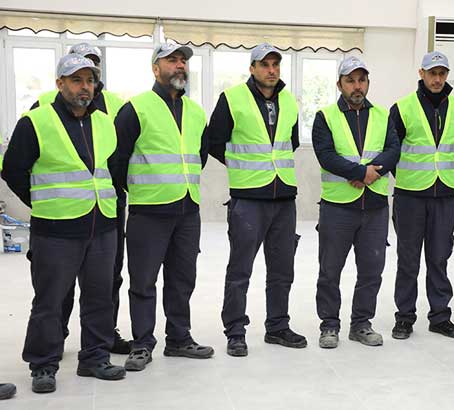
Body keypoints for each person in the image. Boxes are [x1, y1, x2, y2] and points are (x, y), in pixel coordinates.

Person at [2, 54, 126, 393]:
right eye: (76, 80)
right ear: (60, 84)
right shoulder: (36, 121)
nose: (84, 87)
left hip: (102, 224)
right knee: (51, 300)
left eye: (90, 81)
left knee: (100, 296)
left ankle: (95, 357)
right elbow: (13, 170)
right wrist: (43, 201)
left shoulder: (104, 122)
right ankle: (43, 364)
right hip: (56, 228)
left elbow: (113, 168)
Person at [114, 43, 214, 372]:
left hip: (188, 209)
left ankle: (179, 338)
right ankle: (142, 344)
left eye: (183, 60)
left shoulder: (196, 112)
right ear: (155, 68)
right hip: (149, 210)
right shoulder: (136, 108)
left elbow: (200, 155)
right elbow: (117, 159)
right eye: (172, 60)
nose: (180, 65)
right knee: (143, 281)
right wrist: (144, 188)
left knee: (182, 279)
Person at [208, 43, 307, 356]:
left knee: (282, 270)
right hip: (248, 199)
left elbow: (290, 142)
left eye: (275, 65)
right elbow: (214, 141)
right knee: (240, 271)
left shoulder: (289, 100)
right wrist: (242, 167)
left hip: (284, 197)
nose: (271, 70)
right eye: (265, 65)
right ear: (252, 68)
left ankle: (277, 326)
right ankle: (235, 331)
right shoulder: (232, 98)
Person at [312, 56, 400, 348]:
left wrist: (372, 173)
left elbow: (393, 149)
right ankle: (329, 325)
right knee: (330, 270)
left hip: (374, 207)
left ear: (368, 83)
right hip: (338, 207)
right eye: (350, 81)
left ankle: (361, 324)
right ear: (339, 85)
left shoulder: (383, 115)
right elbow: (326, 155)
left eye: (361, 80)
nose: (357, 86)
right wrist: (361, 172)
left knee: (371, 270)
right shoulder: (325, 117)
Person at [389, 51, 454, 340]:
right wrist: (411, 177)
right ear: (421, 74)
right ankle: (404, 318)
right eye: (432, 73)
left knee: (439, 258)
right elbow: (391, 151)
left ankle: (440, 316)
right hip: (410, 196)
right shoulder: (403, 108)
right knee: (408, 260)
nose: (437, 79)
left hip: (444, 194)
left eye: (442, 73)